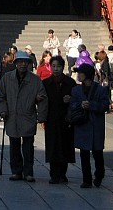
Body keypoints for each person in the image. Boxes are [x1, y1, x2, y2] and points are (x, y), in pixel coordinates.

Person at [0, 50, 48, 182]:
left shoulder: (35, 80)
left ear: (29, 64)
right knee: (14, 146)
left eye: (26, 62)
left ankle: (28, 172)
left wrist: (41, 116)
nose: (23, 65)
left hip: (28, 116)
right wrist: (3, 110)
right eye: (20, 62)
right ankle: (16, 171)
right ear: (16, 63)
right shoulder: (7, 78)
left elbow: (43, 98)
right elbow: (0, 96)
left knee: (28, 147)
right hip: (12, 116)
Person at [70, 63, 109, 188]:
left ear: (87, 75)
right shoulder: (76, 90)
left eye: (80, 73)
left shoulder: (100, 90)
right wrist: (80, 105)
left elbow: (105, 106)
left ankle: (99, 174)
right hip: (82, 124)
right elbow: (72, 105)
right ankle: (86, 179)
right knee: (84, 153)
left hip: (96, 125)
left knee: (98, 153)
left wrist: (92, 105)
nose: (78, 75)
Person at [42, 55, 75, 184]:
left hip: (66, 120)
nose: (56, 69)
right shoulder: (45, 83)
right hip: (51, 119)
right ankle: (54, 174)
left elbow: (76, 100)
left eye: (59, 66)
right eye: (54, 66)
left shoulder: (70, 83)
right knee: (52, 146)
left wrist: (70, 100)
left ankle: (63, 173)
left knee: (65, 146)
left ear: (63, 67)